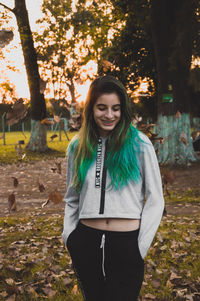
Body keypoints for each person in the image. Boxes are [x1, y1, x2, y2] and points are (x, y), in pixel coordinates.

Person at [62, 75, 165, 301]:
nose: (109, 115)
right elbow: (71, 197)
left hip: (127, 244)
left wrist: (141, 246)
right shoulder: (77, 147)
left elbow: (156, 199)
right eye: (102, 108)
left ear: (123, 110)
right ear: (91, 109)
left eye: (116, 109)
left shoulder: (139, 144)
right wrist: (70, 236)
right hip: (86, 242)